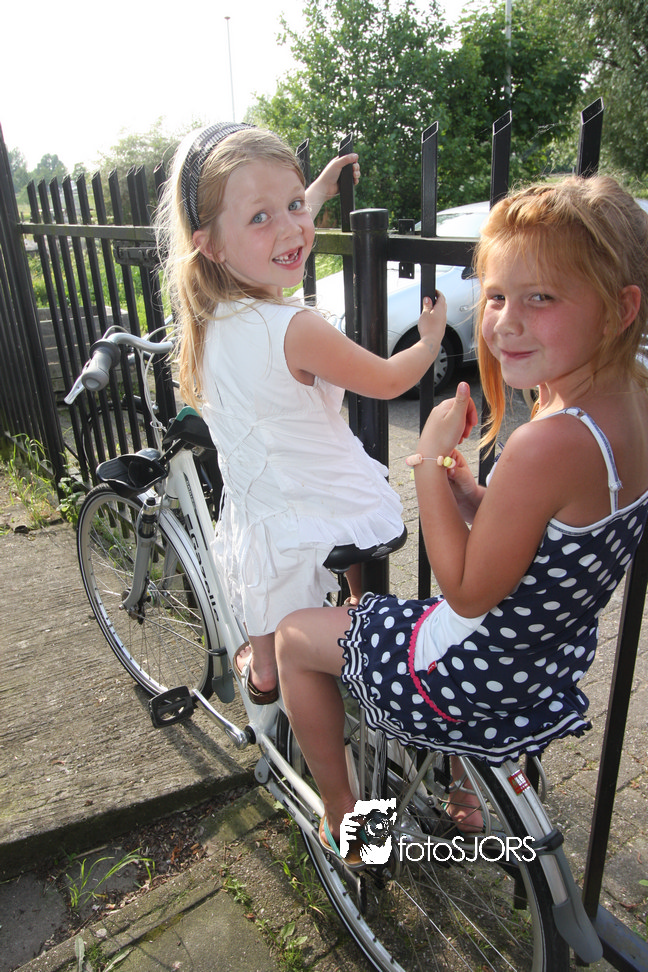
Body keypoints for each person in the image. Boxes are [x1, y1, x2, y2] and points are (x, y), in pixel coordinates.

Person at [275, 175, 648, 864]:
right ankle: (465, 789)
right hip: (540, 659)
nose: (506, 322)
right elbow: (547, 539)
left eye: (542, 298)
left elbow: (468, 592)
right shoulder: (630, 403)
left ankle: (344, 822)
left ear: (620, 309)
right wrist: (474, 496)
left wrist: (426, 459)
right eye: (498, 295)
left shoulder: (549, 443)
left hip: (468, 667)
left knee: (294, 637)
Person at [156, 122, 445, 705]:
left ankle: (264, 675)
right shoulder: (295, 328)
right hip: (328, 498)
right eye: (262, 216)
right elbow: (389, 379)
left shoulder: (209, 317)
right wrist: (431, 340)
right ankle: (359, 627)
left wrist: (314, 192)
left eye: (295, 206)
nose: (292, 228)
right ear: (212, 245)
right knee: (356, 591)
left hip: (263, 508)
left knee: (269, 609)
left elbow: (269, 227)